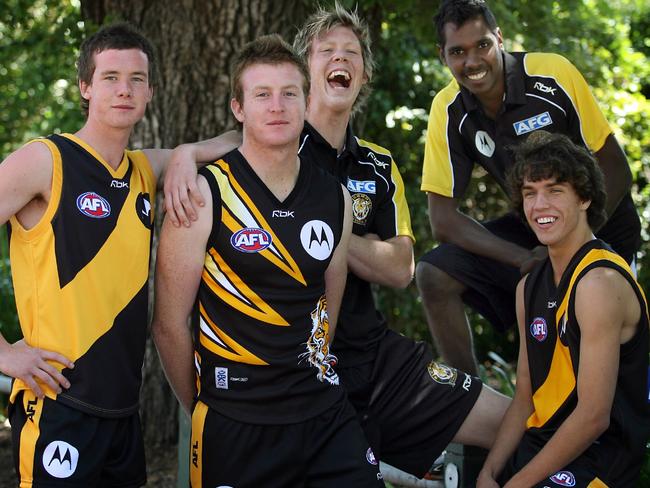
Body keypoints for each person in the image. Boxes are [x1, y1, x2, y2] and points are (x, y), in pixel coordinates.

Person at [164, 3, 510, 480]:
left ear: (364, 73)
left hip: (371, 358)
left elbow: (400, 269)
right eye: (326, 50)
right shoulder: (272, 135)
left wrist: (311, 231)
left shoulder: (377, 165)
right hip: (282, 376)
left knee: (518, 424)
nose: (339, 58)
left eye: (351, 52)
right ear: (306, 69)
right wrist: (185, 154)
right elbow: (174, 162)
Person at [0, 23, 234, 487]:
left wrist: (187, 154)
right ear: (85, 87)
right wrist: (4, 354)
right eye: (110, 77)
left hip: (124, 413)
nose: (124, 90)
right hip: (58, 405)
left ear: (150, 92)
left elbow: (233, 141)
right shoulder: (46, 161)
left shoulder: (144, 170)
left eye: (137, 80)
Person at [152, 34, 384, 487]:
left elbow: (327, 311)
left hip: (322, 416)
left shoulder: (333, 196)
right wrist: (203, 407)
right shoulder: (204, 192)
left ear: (306, 101)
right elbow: (168, 326)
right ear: (238, 108)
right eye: (262, 95)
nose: (276, 106)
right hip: (235, 421)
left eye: (288, 94)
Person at [416, 0, 641, 375]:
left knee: (598, 371)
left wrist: (576, 243)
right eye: (458, 52)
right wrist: (524, 258)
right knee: (432, 274)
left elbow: (616, 167)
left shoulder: (552, 73)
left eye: (482, 45)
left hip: (601, 229)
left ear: (499, 39)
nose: (473, 61)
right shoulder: (448, 109)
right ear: (443, 56)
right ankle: (471, 410)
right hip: (535, 234)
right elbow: (443, 221)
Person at [476, 130, 649, 488]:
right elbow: (525, 392)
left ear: (584, 197)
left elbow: (593, 418)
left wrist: (518, 484)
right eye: (529, 193)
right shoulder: (529, 287)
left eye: (554, 191)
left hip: (599, 462)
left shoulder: (598, 283)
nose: (539, 206)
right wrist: (490, 472)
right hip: (544, 447)